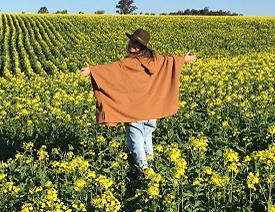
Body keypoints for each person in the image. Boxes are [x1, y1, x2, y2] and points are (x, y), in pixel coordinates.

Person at [80, 28, 197, 177]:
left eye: (137, 43)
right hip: (151, 110)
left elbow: (112, 70)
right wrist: (183, 59)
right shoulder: (155, 60)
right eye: (132, 41)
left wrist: (93, 71)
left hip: (134, 111)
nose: (133, 44)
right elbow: (170, 60)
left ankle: (143, 173)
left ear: (143, 47)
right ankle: (152, 169)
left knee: (136, 143)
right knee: (147, 138)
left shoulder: (129, 63)